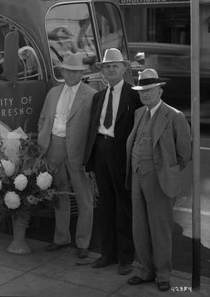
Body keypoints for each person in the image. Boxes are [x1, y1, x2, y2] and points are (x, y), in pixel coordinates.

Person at [125, 69, 191, 292]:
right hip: (136, 175)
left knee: (160, 228)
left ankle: (163, 275)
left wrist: (165, 170)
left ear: (160, 91)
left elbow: (184, 154)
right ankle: (145, 270)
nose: (145, 94)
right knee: (139, 226)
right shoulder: (138, 113)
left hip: (159, 178)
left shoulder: (175, 116)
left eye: (149, 90)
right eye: (141, 90)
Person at [83, 48, 142, 275]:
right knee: (105, 205)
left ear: (124, 68)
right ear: (103, 70)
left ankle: (126, 257)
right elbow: (91, 130)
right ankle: (108, 254)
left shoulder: (133, 95)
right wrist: (90, 160)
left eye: (115, 66)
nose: (110, 69)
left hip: (121, 155)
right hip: (101, 151)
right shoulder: (99, 96)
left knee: (123, 206)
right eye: (107, 66)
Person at [38, 52, 97, 258]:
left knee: (84, 198)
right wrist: (43, 139)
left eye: (76, 71)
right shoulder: (53, 92)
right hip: (53, 147)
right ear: (62, 71)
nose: (71, 74)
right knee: (59, 196)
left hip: (78, 152)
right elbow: (44, 117)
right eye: (68, 70)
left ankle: (83, 243)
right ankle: (61, 239)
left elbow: (94, 128)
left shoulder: (91, 94)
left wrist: (89, 155)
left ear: (81, 72)